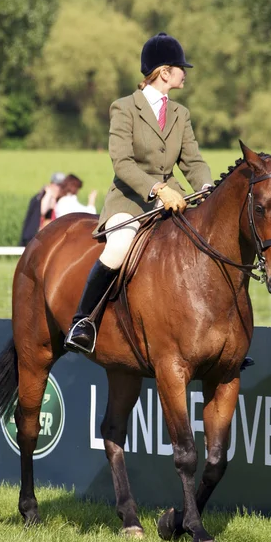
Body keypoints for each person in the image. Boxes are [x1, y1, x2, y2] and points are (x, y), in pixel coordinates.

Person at [64, 32, 213, 355]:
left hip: (173, 200)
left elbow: (193, 161)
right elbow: (122, 163)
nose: (185, 72)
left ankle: (211, 334)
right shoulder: (124, 108)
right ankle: (83, 321)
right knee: (118, 247)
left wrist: (206, 188)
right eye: (180, 68)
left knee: (204, 245)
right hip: (131, 200)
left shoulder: (180, 114)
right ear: (164, 73)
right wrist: (156, 188)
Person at [19, 172, 65, 246]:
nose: (60, 189)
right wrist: (49, 194)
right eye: (58, 186)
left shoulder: (57, 199)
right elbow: (43, 210)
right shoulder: (43, 197)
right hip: (34, 239)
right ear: (52, 185)